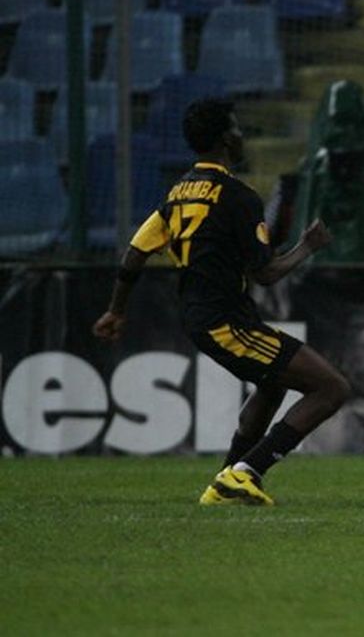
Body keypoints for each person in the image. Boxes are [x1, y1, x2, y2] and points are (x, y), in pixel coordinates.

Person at [92, 99, 349, 505]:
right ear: (227, 138)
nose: (242, 135)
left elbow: (135, 252)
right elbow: (264, 274)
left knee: (272, 384)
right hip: (226, 321)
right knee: (331, 388)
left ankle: (225, 482)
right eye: (237, 129)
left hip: (203, 316)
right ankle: (248, 471)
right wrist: (307, 246)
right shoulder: (238, 196)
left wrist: (116, 310)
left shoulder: (177, 193)